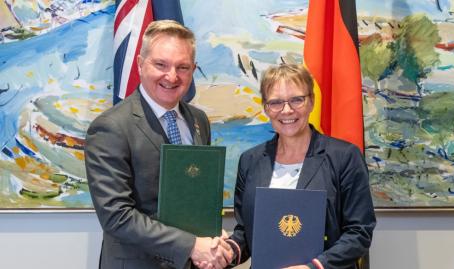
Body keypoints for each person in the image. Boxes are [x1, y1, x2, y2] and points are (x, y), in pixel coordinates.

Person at [85, 20, 233, 269]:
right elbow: (117, 216)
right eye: (161, 64)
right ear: (141, 64)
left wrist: (212, 240)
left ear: (193, 70)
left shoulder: (199, 120)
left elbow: (195, 193)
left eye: (182, 67)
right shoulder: (111, 127)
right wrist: (191, 246)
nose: (172, 76)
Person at [227, 64, 376, 269]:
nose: (287, 110)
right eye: (276, 102)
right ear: (266, 108)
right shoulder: (250, 160)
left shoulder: (344, 157)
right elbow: (247, 231)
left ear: (311, 101)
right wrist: (228, 250)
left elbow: (359, 231)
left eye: (297, 99)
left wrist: (314, 267)